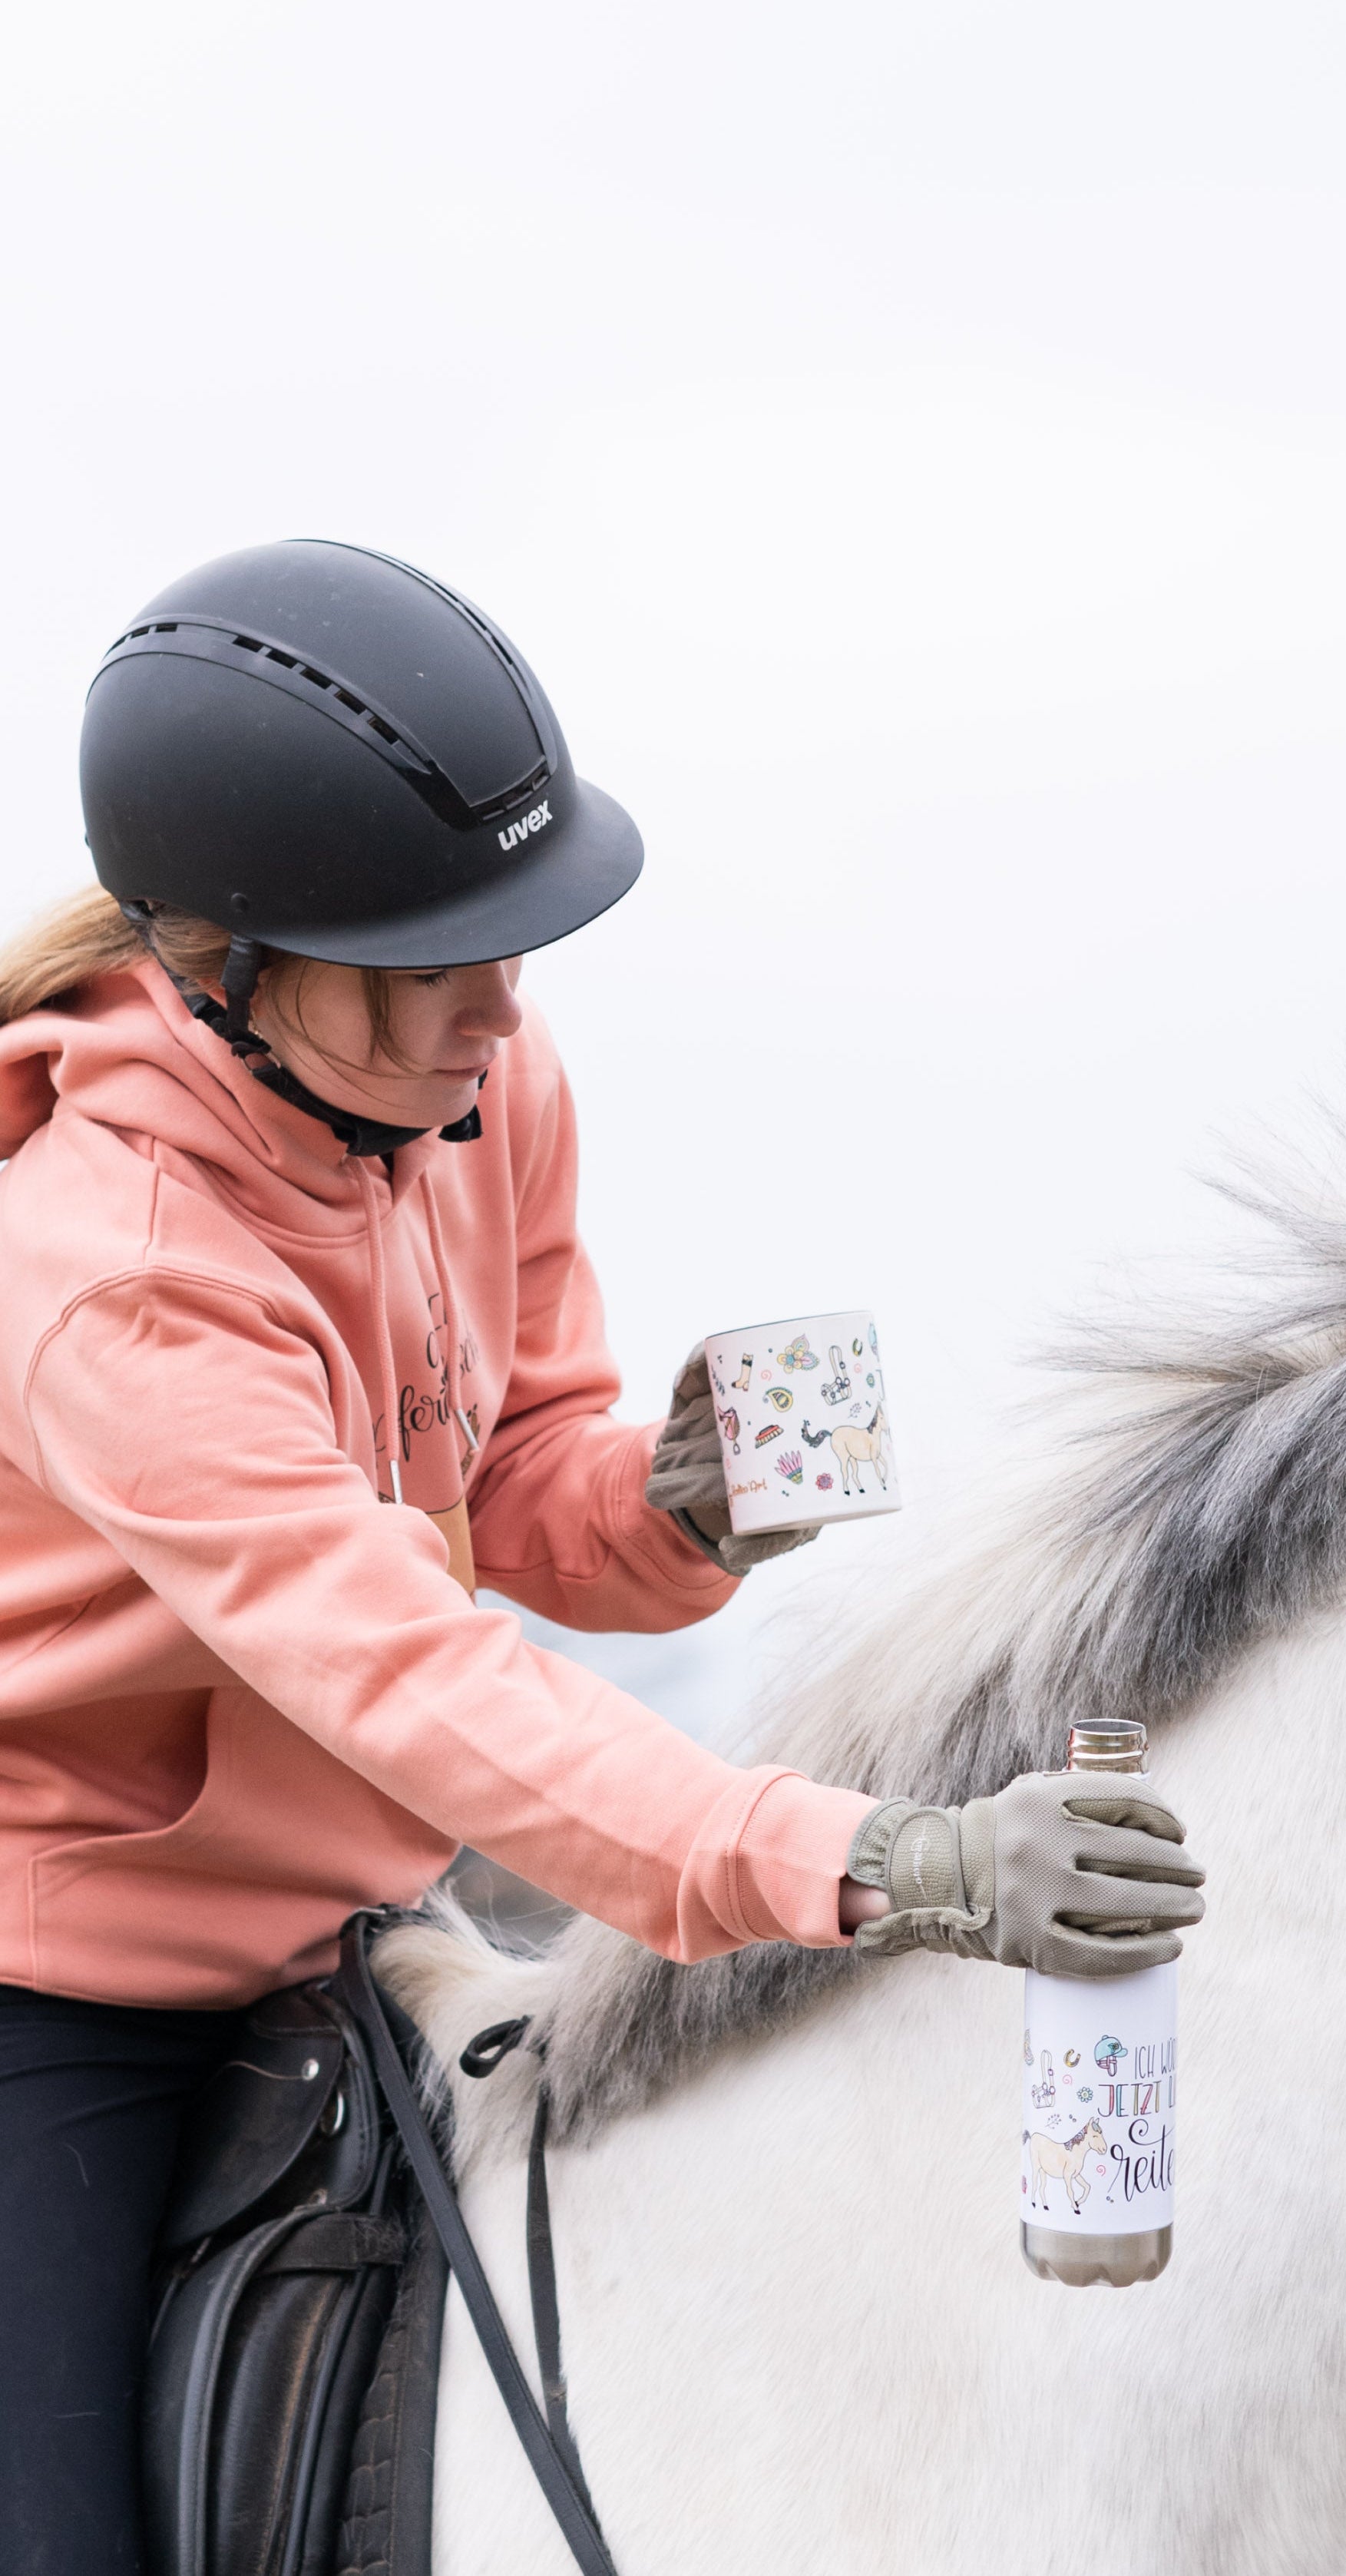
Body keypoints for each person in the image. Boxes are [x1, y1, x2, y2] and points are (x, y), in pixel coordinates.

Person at [0, 540, 1205, 2576]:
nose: (508, 998)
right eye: (444, 951)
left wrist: (680, 1503)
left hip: (369, 1932)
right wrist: (885, 1862)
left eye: (518, 938)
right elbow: (418, 1676)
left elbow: (521, 1475)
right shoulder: (106, 1279)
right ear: (233, 969)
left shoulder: (480, 1081)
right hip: (70, 1985)